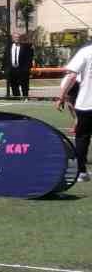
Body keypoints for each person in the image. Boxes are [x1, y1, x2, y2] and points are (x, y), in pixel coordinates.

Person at [56, 38, 92, 183]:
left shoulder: (85, 51)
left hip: (87, 103)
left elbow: (71, 75)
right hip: (86, 102)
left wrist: (61, 97)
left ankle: (82, 171)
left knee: (82, 137)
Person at [4, 30, 35, 100]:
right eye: (15, 37)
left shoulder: (26, 47)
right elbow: (5, 58)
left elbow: (29, 58)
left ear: (20, 38)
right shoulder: (8, 47)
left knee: (24, 85)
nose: (16, 39)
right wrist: (5, 69)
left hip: (22, 69)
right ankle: (17, 98)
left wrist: (27, 69)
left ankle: (25, 98)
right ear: (12, 38)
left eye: (18, 37)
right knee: (14, 85)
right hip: (12, 70)